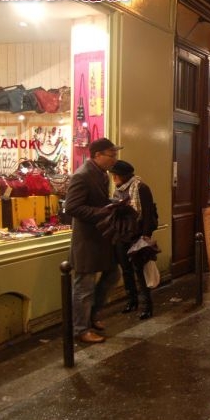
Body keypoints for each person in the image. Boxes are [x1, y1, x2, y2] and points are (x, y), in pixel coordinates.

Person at [65, 138, 122, 344]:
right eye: (111, 154)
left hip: (101, 237)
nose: (114, 158)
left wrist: (114, 205)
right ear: (97, 155)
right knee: (84, 287)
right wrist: (103, 212)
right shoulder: (82, 175)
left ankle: (92, 315)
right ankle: (80, 329)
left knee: (112, 274)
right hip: (87, 240)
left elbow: (98, 202)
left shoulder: (102, 174)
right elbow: (71, 207)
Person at [109, 160, 156, 320]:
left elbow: (148, 214)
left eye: (115, 175)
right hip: (121, 235)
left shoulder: (141, 187)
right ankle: (132, 301)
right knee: (126, 270)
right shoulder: (117, 191)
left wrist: (146, 235)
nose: (113, 178)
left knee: (140, 270)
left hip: (137, 235)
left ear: (123, 175)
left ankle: (147, 305)